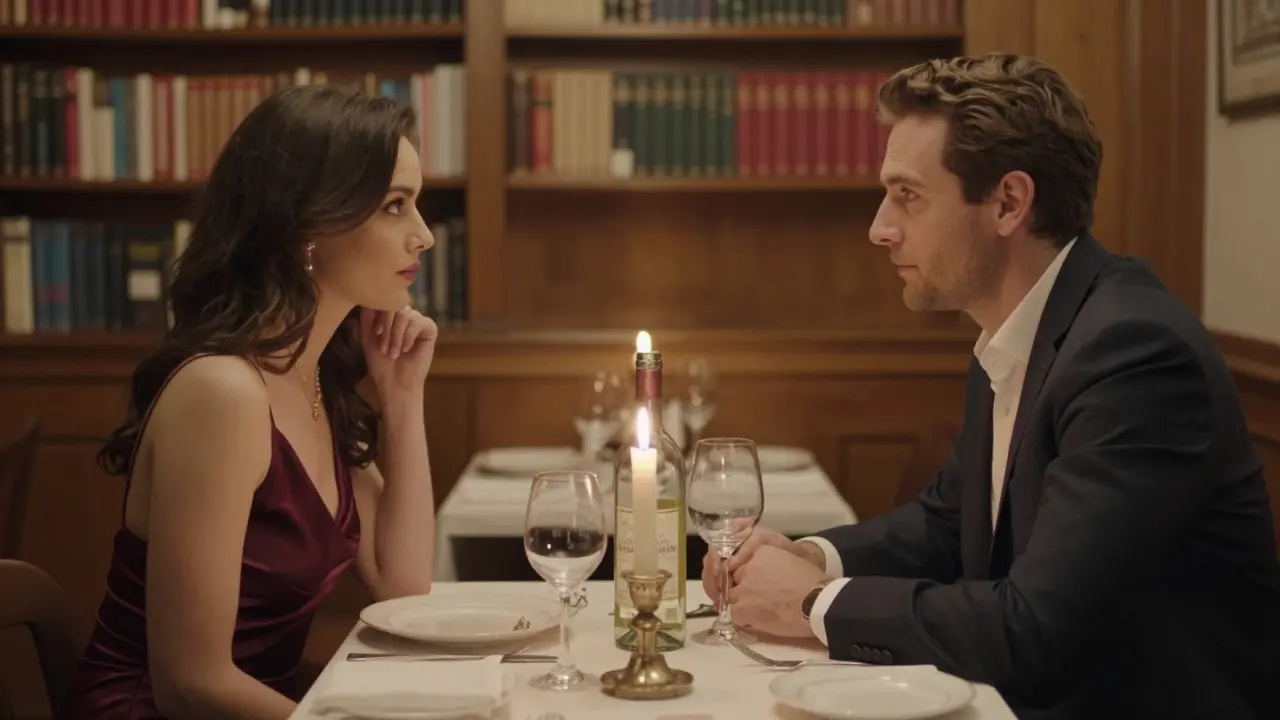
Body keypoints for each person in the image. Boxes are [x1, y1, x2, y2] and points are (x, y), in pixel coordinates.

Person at [705, 53, 1280, 719]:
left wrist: (811, 602)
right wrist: (812, 554)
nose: (880, 228)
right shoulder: (1021, 327)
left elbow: (1032, 628)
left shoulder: (1134, 354)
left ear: (1009, 203)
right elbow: (949, 521)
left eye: (908, 195)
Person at [60, 85, 440, 719]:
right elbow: (191, 685)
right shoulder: (223, 393)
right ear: (309, 223)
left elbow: (401, 586)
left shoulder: (311, 381)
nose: (423, 236)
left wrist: (402, 397)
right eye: (394, 206)